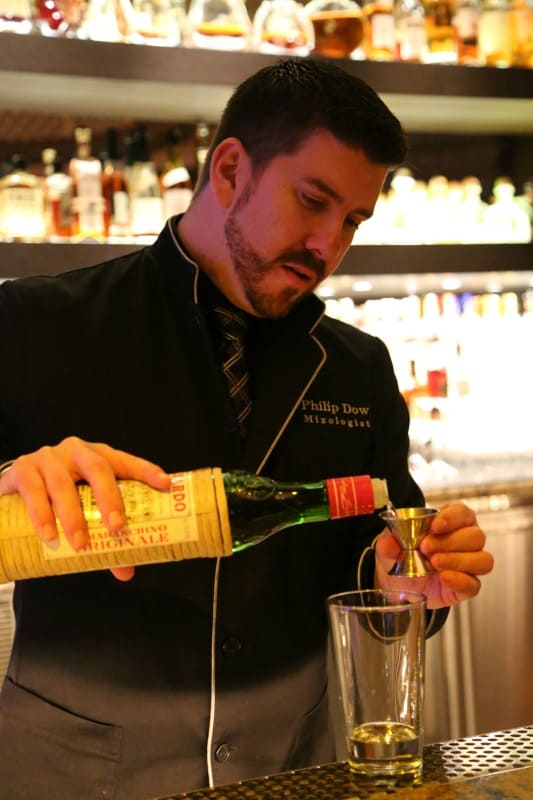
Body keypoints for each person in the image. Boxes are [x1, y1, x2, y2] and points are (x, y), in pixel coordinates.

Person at [0, 58, 493, 800]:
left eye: (352, 220)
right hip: (76, 770)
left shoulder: (357, 367)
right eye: (311, 201)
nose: (327, 245)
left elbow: (375, 567)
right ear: (229, 169)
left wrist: (403, 587)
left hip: (294, 766)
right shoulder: (36, 323)